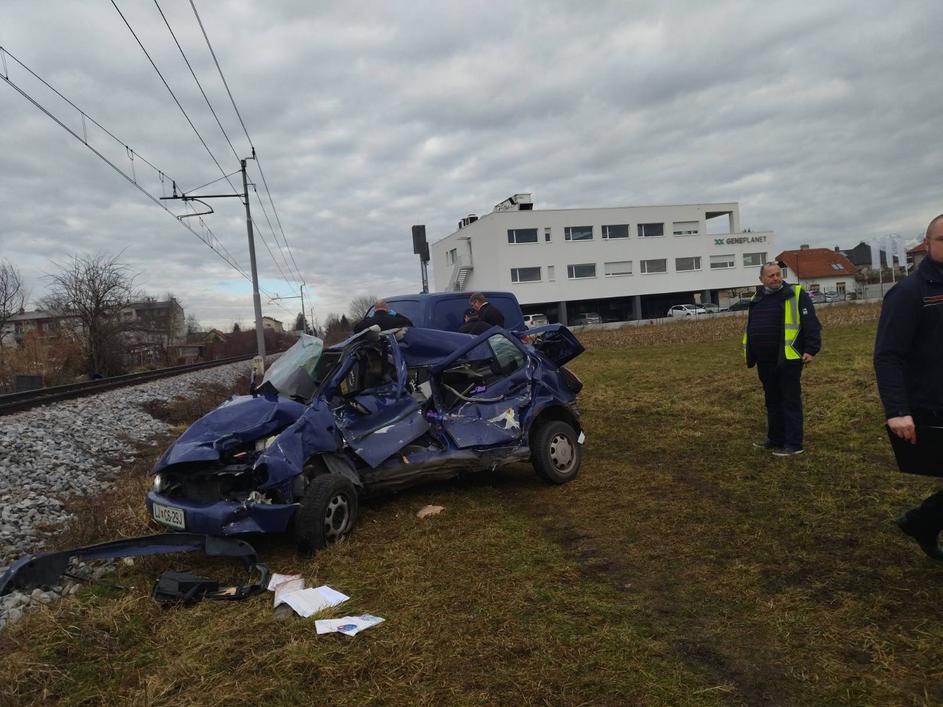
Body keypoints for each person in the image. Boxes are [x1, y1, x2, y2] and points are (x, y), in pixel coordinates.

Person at [874, 214, 943, 560]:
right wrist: (898, 411)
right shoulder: (909, 293)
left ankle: (922, 521)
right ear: (928, 244)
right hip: (932, 402)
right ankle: (922, 521)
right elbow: (887, 356)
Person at [742, 261, 821, 456]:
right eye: (771, 275)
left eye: (778, 274)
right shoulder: (756, 297)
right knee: (772, 401)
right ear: (761, 279)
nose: (776, 278)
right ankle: (775, 438)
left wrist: (811, 349)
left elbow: (811, 322)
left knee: (790, 400)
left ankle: (794, 444)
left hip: (789, 357)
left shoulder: (795, 294)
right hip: (764, 360)